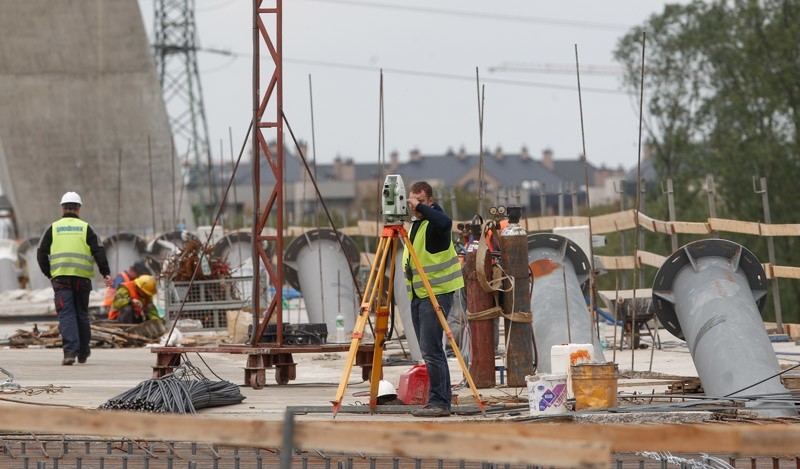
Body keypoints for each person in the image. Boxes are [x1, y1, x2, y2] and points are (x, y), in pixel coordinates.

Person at [402, 181, 464, 417]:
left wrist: (422, 209)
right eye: (412, 200)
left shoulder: (435, 223)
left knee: (432, 349)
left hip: (436, 292)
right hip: (419, 294)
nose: (414, 205)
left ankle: (439, 402)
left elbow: (446, 222)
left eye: (420, 200)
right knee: (429, 349)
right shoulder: (416, 225)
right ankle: (440, 399)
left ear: (429, 201)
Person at [37, 191, 112, 365]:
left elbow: (41, 253)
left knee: (67, 314)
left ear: (63, 208)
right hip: (82, 280)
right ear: (78, 209)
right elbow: (99, 251)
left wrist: (49, 273)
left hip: (61, 279)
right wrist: (105, 273)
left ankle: (70, 352)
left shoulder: (53, 228)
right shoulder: (87, 228)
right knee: (82, 314)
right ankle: (83, 352)